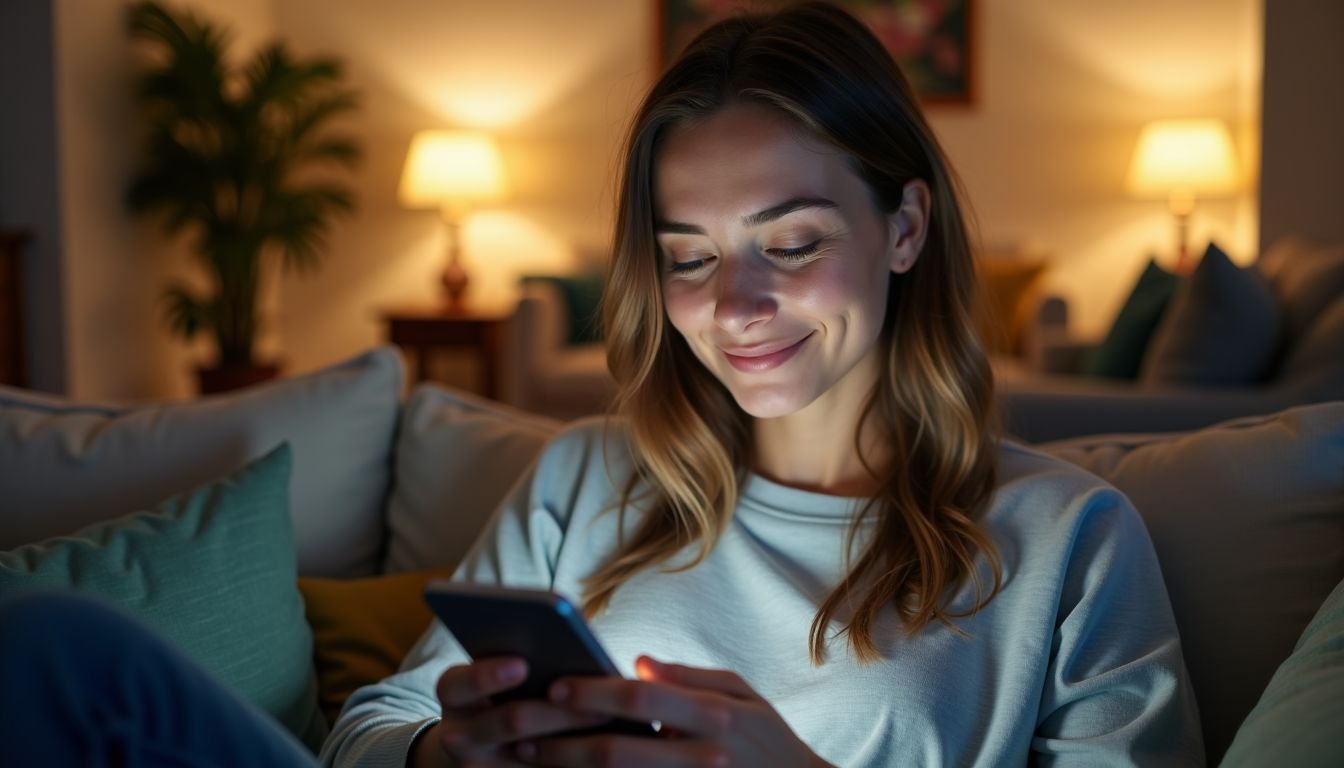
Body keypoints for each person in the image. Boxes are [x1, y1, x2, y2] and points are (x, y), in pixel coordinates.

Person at [0, 3, 1202, 767]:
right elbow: (369, 730)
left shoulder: (1065, 536)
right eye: (689, 256)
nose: (734, 305)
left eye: (789, 243)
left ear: (903, 228)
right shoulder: (589, 474)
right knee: (61, 655)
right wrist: (443, 754)